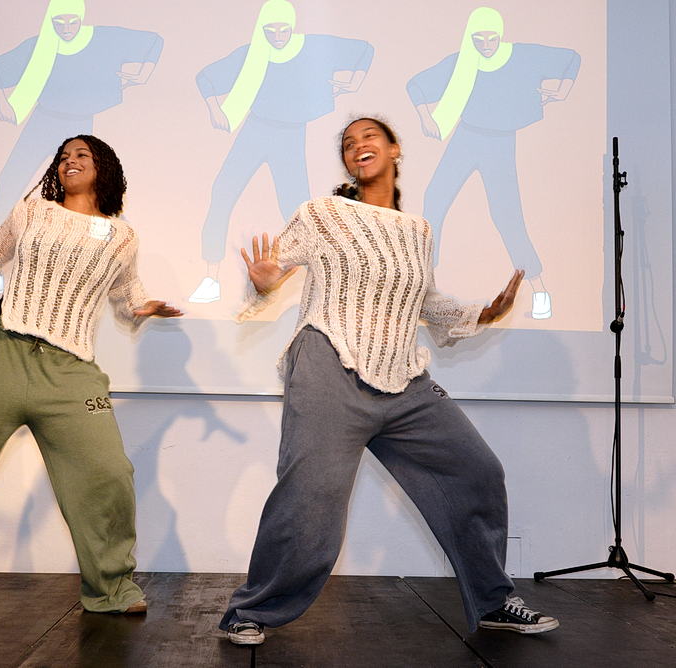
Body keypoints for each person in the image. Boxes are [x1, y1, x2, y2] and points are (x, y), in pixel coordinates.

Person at [220, 117, 557, 646]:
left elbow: (423, 301)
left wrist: (482, 313)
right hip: (329, 359)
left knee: (476, 470)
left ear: (395, 149)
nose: (358, 146)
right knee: (311, 495)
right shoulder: (323, 213)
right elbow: (272, 271)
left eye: (369, 137)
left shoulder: (417, 230)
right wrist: (264, 284)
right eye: (348, 143)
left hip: (403, 377)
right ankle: (251, 610)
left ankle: (493, 602)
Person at [0, 134, 181, 614]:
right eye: (64, 156)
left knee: (109, 472)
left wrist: (144, 307)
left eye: (82, 155)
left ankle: (111, 590)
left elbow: (127, 294)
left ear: (104, 167)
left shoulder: (122, 235)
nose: (70, 162)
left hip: (68, 368)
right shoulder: (34, 210)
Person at [187, 0, 373, 304]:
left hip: (290, 135)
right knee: (222, 191)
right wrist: (215, 109)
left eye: (282, 29)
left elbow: (364, 50)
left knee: (296, 208)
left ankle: (315, 280)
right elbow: (205, 78)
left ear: (292, 27)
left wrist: (353, 81)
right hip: (254, 130)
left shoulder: (310, 47)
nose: (276, 36)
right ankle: (211, 276)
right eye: (269, 30)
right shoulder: (252, 53)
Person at [0, 0, 164, 296]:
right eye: (59, 22)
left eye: (71, 22)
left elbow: (154, 41)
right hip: (42, 120)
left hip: (79, 127)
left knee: (96, 193)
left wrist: (145, 72)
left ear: (81, 18)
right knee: (9, 180)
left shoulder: (102, 38)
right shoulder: (40, 46)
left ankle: (117, 273)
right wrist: (3, 102)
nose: (65, 28)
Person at [406, 6, 580, 319]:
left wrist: (563, 89)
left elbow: (571, 59)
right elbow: (416, 85)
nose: (485, 44)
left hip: (500, 144)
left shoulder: (521, 56)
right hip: (466, 138)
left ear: (500, 35)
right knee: (435, 198)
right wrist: (425, 117)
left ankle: (540, 291)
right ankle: (424, 282)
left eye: (491, 38)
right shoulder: (463, 62)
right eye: (479, 38)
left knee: (507, 215)